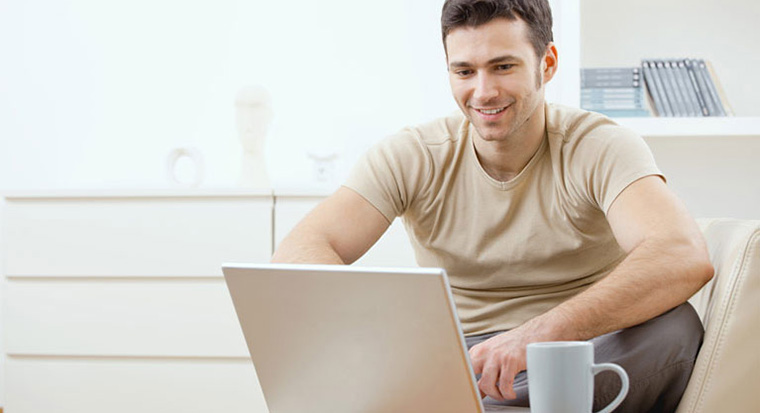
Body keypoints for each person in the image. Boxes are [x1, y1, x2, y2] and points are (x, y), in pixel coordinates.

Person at [272, 0, 714, 411]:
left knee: (674, 329)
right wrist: (376, 336)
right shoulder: (412, 155)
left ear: (547, 63)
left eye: (503, 67)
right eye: (464, 72)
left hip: (577, 351)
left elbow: (681, 255)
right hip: (462, 361)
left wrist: (537, 335)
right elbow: (299, 251)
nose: (483, 92)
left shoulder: (600, 146)